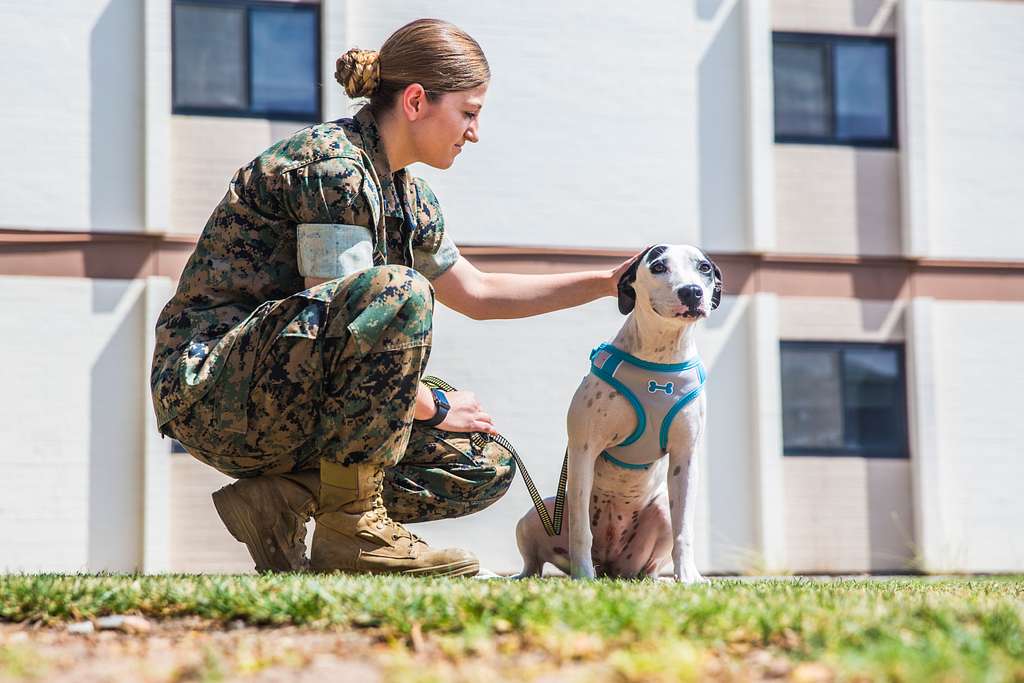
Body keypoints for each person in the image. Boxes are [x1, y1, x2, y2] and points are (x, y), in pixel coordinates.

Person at [151, 18, 638, 577]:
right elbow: (346, 310)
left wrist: (605, 283)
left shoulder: (409, 195)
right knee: (399, 291)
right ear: (414, 101)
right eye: (469, 112)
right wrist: (436, 405)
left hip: (285, 392)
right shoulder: (332, 168)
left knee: (481, 463)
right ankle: (353, 529)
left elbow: (477, 292)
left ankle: (282, 498)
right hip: (214, 392)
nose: (474, 132)